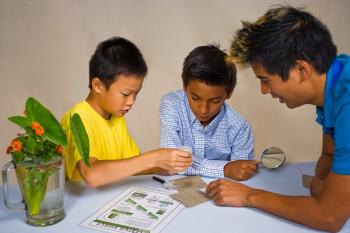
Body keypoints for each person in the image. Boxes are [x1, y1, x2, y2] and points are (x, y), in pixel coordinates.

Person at [206, 6, 350, 232]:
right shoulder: (337, 78)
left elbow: (329, 217)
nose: (264, 90)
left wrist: (250, 196)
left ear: (302, 69)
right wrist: (320, 186)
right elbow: (329, 155)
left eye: (265, 80)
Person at [62, 37, 192, 188]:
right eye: (125, 94)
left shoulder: (116, 117)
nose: (131, 101)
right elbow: (92, 175)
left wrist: (163, 166)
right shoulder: (77, 118)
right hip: (84, 204)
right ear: (97, 85)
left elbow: (130, 166)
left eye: (136, 94)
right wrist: (154, 158)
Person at [160, 44, 258, 180]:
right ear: (185, 87)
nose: (203, 109)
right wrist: (225, 168)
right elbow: (172, 163)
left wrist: (233, 170)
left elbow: (241, 174)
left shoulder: (240, 128)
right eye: (195, 98)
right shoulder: (172, 104)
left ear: (228, 93)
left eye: (215, 101)